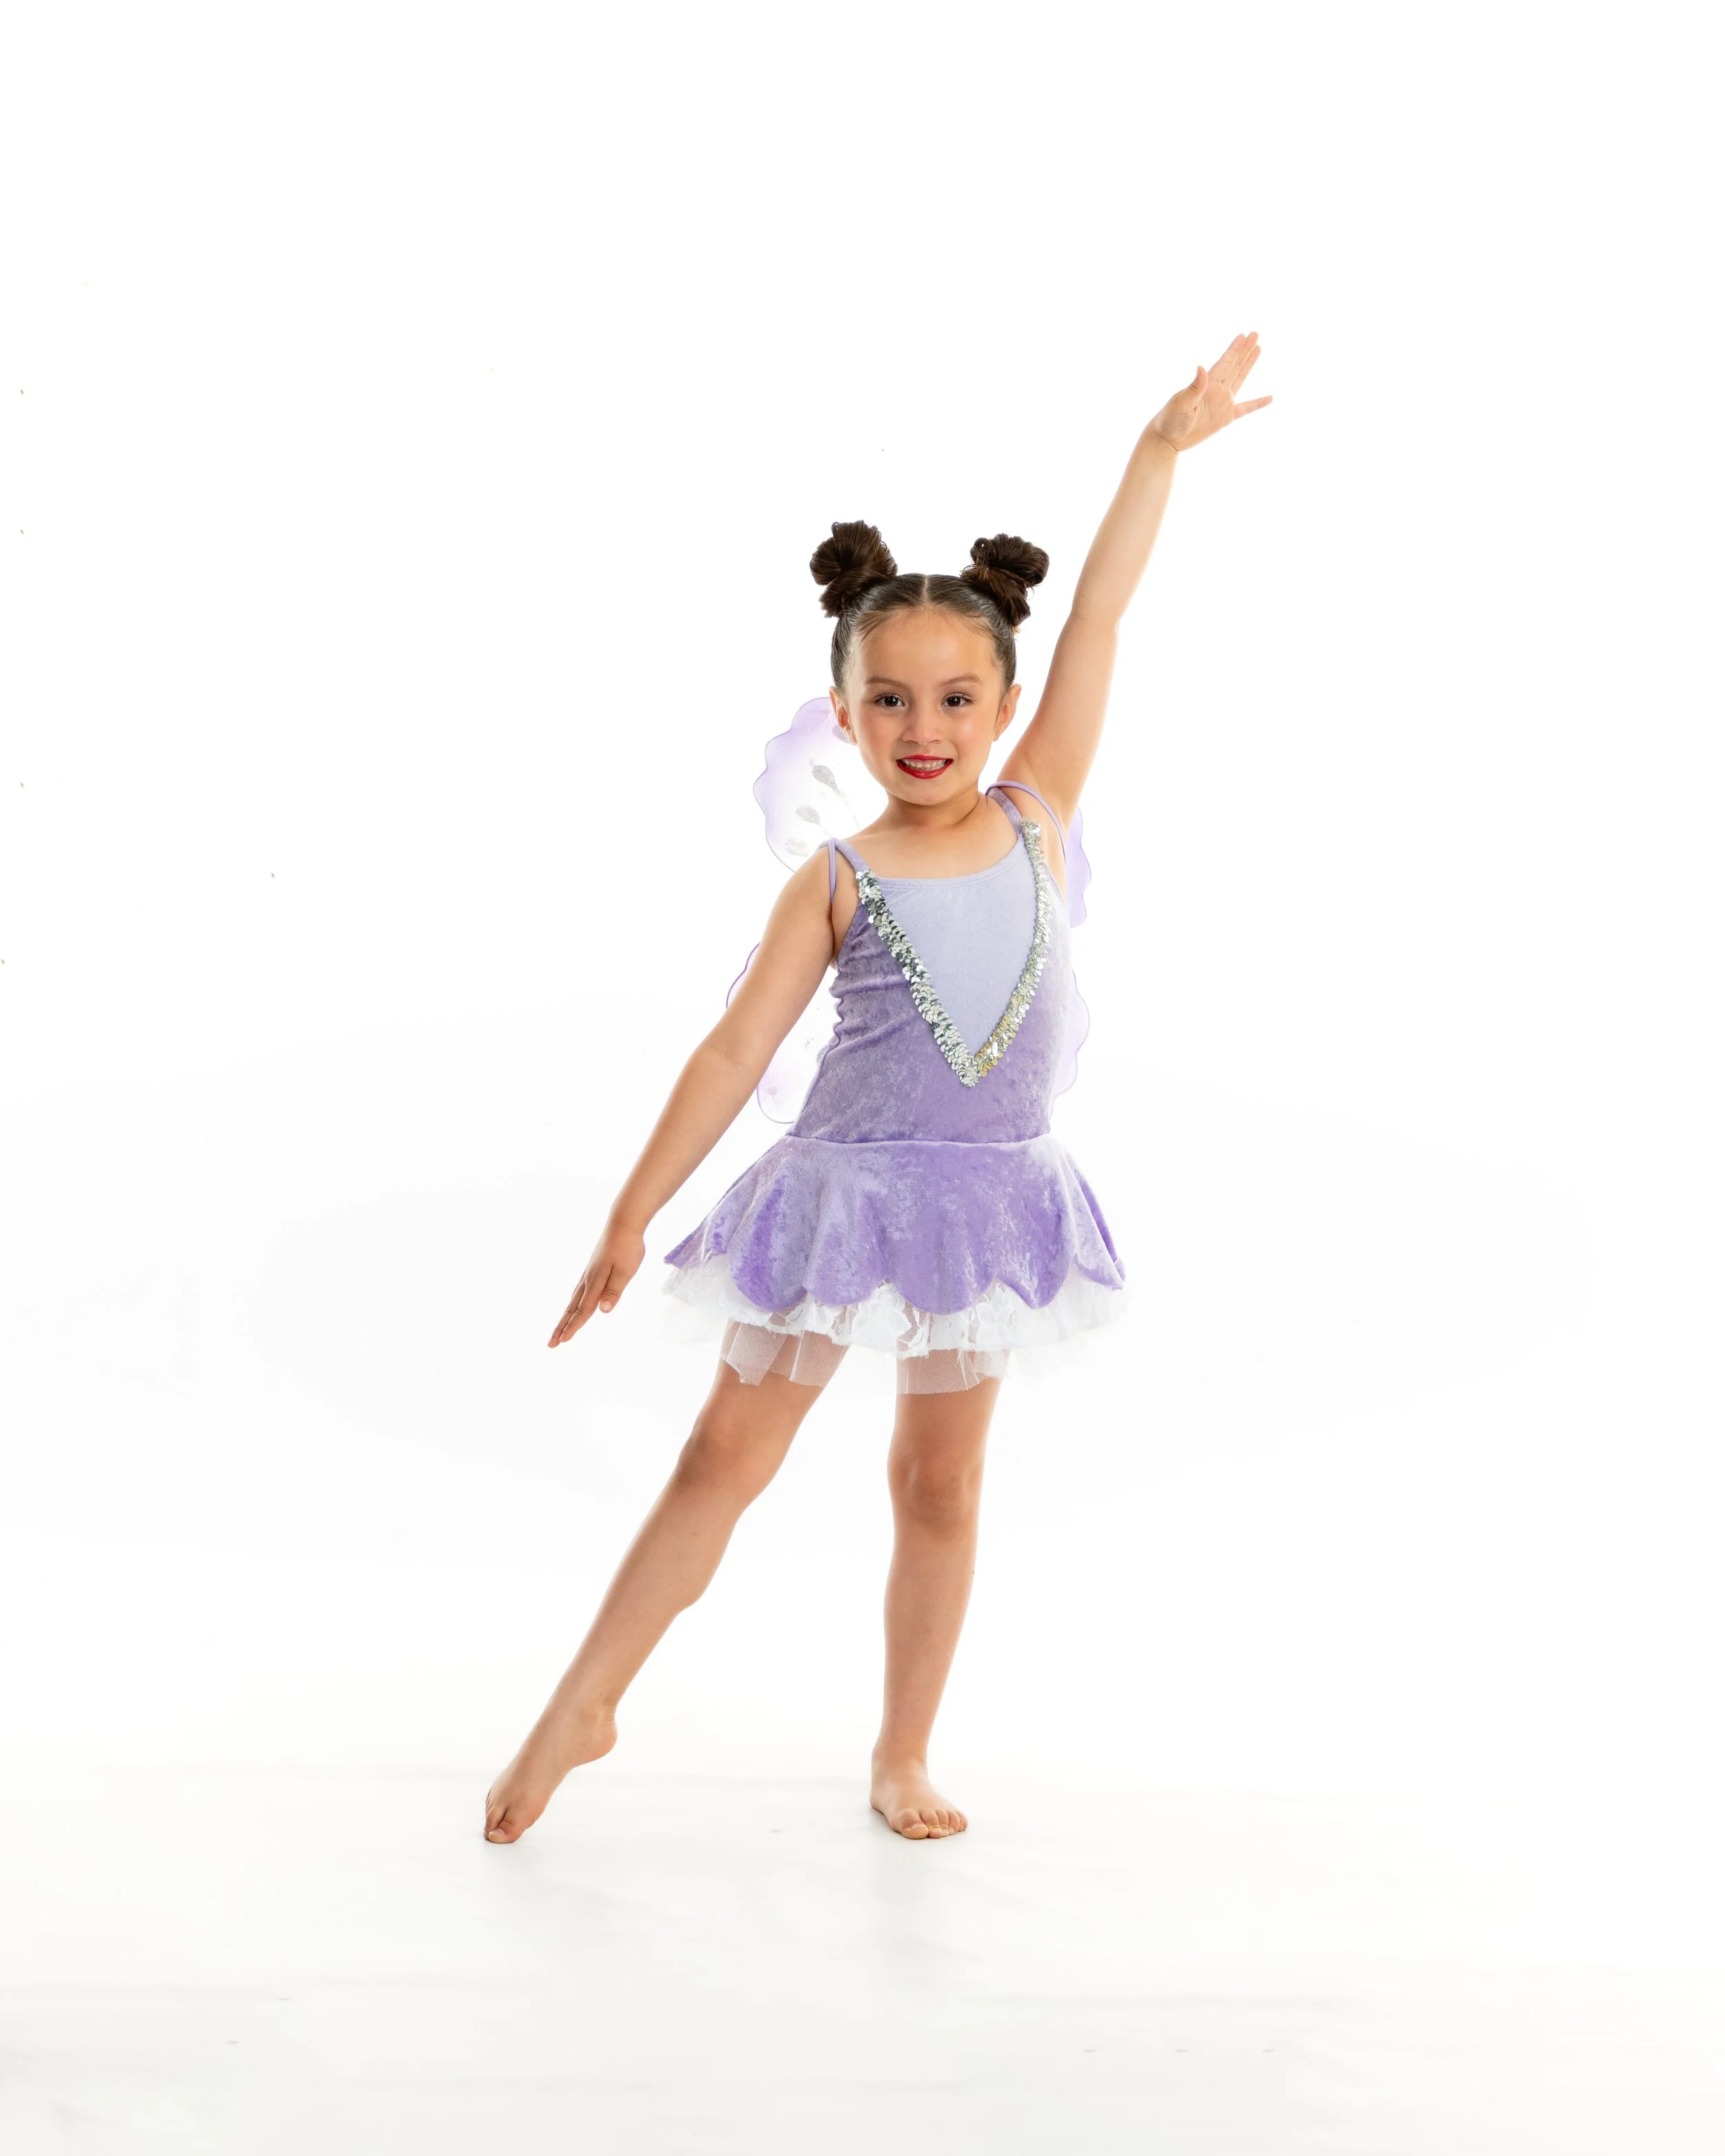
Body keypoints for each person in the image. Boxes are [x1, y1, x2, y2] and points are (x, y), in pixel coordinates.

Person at [484, 333, 1272, 1844]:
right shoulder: (834, 879)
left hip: (987, 1208)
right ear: (841, 713)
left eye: (958, 699)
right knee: (726, 1452)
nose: (927, 732)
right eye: (892, 703)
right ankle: (583, 1699)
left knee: (938, 1486)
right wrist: (631, 1209)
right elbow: (729, 1054)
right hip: (845, 1195)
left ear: (1003, 699)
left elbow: (1102, 610)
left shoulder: (1039, 814)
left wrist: (1157, 451)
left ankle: (901, 1750)